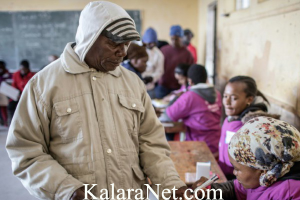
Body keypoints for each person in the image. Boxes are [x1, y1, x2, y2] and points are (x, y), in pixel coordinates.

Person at [6, 2, 190, 200]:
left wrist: (171, 185)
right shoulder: (43, 85)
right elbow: (26, 152)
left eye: (126, 43)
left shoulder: (132, 84)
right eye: (114, 43)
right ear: (89, 37)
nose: (122, 52)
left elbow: (151, 143)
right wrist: (67, 190)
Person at [192, 117, 300, 200]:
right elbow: (237, 189)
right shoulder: (264, 177)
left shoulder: (291, 193)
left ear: (262, 170)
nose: (234, 172)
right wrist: (210, 191)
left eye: (237, 169)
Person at [218, 76, 279, 179]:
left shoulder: (252, 127)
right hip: (223, 172)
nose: (227, 103)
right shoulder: (229, 118)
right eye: (225, 96)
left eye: (234, 98)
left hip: (238, 180)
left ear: (249, 99)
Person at [164, 64, 222, 153]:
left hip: (197, 145)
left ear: (190, 81)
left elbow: (168, 116)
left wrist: (177, 97)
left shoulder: (189, 96)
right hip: (215, 142)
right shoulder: (217, 93)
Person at [155, 25, 194, 99]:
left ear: (182, 38)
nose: (174, 41)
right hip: (163, 86)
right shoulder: (163, 50)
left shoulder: (187, 54)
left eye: (176, 39)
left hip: (179, 88)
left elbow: (190, 72)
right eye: (172, 39)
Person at [7, 59, 35, 126]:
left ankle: (25, 124)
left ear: (28, 69)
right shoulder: (16, 74)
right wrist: (16, 94)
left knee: (26, 107)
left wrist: (22, 95)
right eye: (21, 69)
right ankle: (12, 123)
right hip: (17, 95)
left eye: (24, 69)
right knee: (11, 106)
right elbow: (14, 85)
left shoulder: (32, 75)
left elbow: (32, 88)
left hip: (27, 95)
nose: (23, 71)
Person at [142, 27, 164, 99]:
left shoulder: (159, 54)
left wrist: (151, 78)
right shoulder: (137, 49)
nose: (151, 45)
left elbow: (160, 71)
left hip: (149, 88)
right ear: (144, 41)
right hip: (134, 87)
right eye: (149, 43)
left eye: (153, 43)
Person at [0, 60, 12, 126]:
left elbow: (11, 81)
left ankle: (6, 121)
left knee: (6, 107)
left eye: (1, 67)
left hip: (6, 94)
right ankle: (4, 121)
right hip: (1, 95)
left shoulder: (8, 74)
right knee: (2, 108)